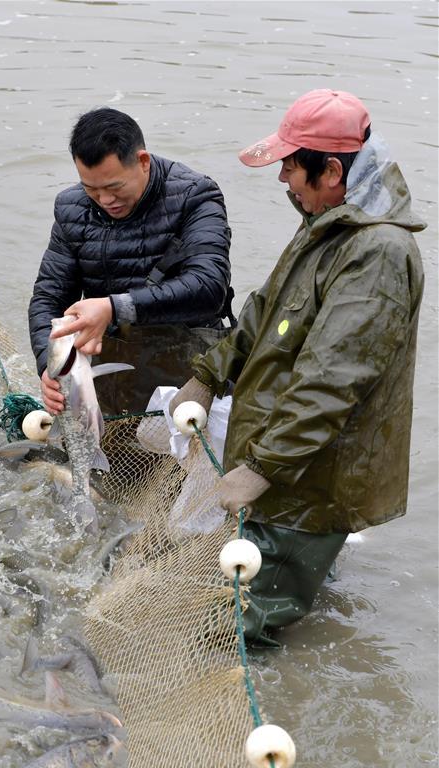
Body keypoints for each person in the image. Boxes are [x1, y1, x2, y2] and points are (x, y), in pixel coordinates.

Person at [171, 88, 425, 644]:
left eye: (291, 164)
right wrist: (208, 377)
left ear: (332, 169)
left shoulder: (377, 252)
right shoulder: (328, 218)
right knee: (266, 601)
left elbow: (331, 382)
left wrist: (261, 468)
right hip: (287, 464)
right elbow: (266, 309)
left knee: (235, 634)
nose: (283, 177)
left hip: (310, 484)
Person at [28, 107, 234, 416]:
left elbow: (208, 287)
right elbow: (49, 298)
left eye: (114, 187)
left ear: (143, 162)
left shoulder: (196, 196)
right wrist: (49, 364)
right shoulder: (71, 208)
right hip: (112, 370)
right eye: (91, 188)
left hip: (189, 372)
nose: (105, 199)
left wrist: (113, 307)